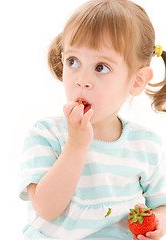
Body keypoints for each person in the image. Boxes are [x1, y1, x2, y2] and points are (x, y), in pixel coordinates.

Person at [19, 0, 166, 239]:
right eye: (73, 61)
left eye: (101, 67)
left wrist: (157, 222)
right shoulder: (46, 135)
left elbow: (161, 204)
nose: (81, 79)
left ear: (137, 80)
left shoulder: (146, 145)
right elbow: (46, 209)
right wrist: (76, 145)